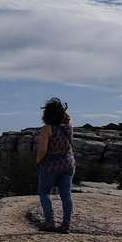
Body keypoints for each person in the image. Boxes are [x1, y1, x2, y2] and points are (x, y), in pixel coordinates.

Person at [36, 97, 76, 234]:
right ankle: (66, 225)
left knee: (45, 193)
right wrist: (61, 110)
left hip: (50, 165)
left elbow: (42, 150)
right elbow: (69, 117)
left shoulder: (47, 129)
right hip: (68, 163)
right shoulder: (69, 127)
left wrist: (38, 161)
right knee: (66, 195)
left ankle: (50, 221)